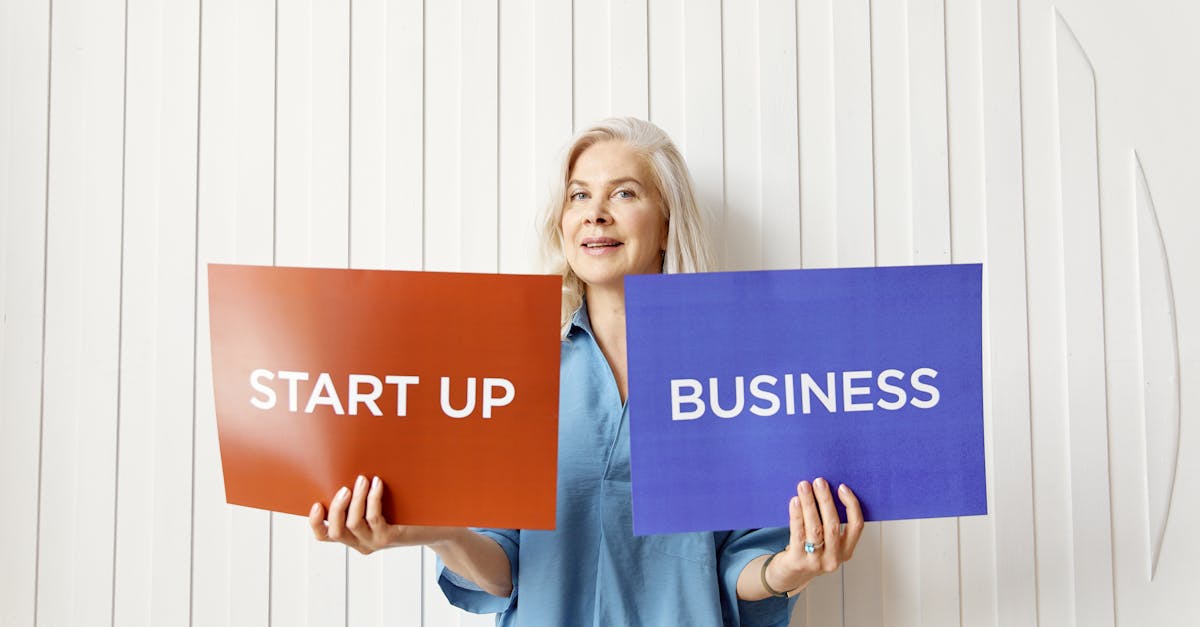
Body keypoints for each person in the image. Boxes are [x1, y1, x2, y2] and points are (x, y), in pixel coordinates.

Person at [309, 118, 865, 626]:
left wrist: (792, 568)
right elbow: (505, 570)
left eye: (624, 192)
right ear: (564, 223)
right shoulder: (510, 372)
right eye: (580, 195)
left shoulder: (740, 380)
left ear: (668, 224)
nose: (596, 212)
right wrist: (441, 534)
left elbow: (736, 566)